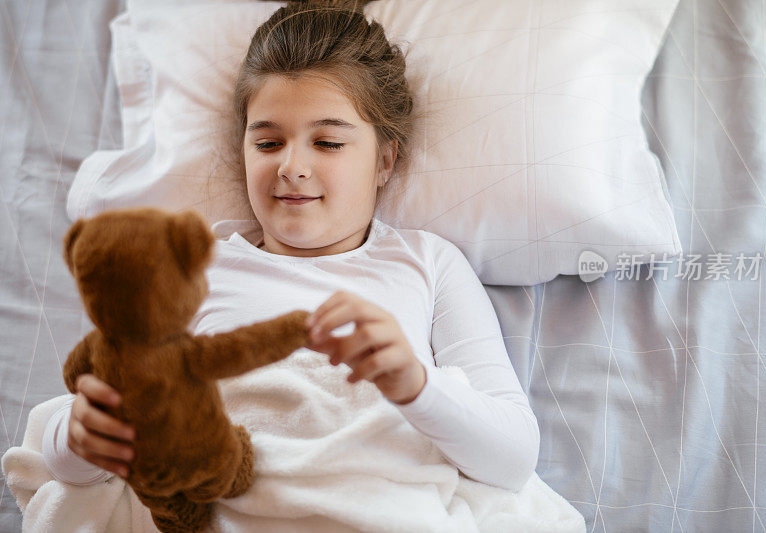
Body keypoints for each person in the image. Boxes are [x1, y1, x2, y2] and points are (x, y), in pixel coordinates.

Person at [42, 0, 540, 512]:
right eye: (268, 143)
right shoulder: (192, 266)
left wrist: (417, 385)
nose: (291, 166)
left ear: (385, 161)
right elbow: (77, 438)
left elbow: (514, 458)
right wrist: (77, 438)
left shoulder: (428, 263)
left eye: (326, 142)